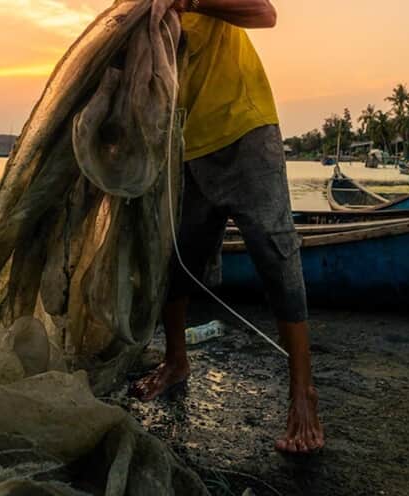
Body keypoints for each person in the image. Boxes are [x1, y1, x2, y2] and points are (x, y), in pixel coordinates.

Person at [132, 0, 325, 454]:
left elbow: (265, 13)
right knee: (176, 258)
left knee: (275, 252)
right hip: (188, 146)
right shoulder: (138, 7)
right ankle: (176, 361)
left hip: (246, 130)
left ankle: (303, 394)